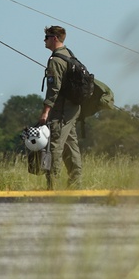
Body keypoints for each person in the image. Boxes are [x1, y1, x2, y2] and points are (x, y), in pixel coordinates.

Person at [38, 25, 82, 189]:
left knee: (55, 146)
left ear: (55, 38)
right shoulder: (69, 54)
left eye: (47, 37)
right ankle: (76, 184)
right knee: (71, 145)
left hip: (62, 109)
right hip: (73, 109)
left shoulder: (56, 60)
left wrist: (45, 112)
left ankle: (52, 186)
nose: (44, 40)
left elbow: (53, 89)